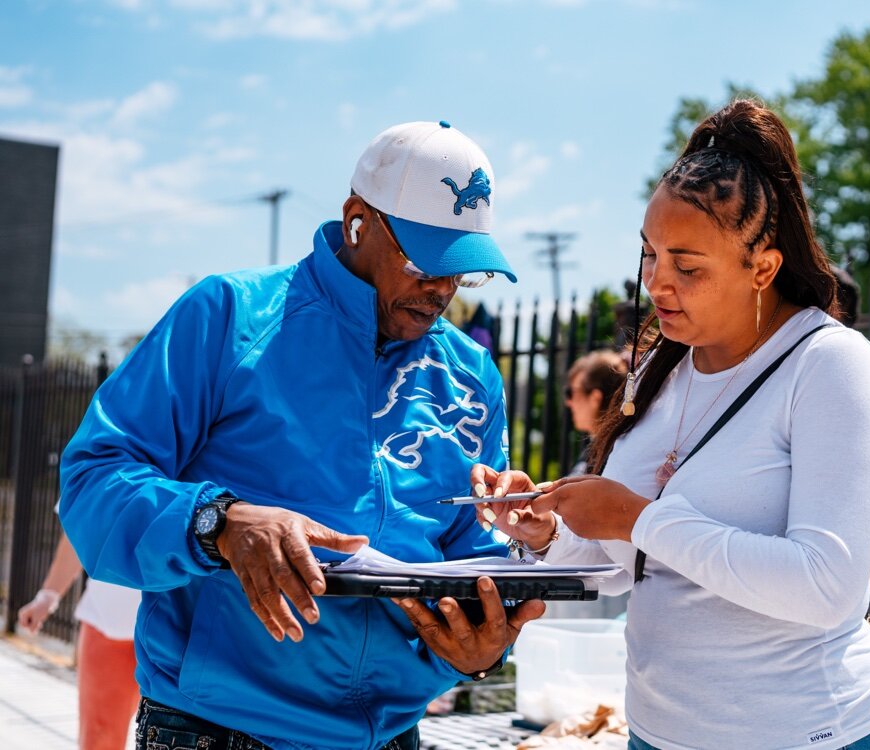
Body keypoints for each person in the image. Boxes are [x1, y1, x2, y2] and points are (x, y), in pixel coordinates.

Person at [59, 119, 545, 750]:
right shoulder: (228, 316)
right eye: (426, 260)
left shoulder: (471, 375)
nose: (443, 289)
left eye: (464, 270)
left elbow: (471, 549)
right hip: (219, 731)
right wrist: (220, 522)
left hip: (396, 735)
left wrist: (483, 642)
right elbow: (93, 480)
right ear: (357, 222)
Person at [471, 99, 870, 749]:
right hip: (658, 734)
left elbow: (826, 585)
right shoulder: (661, 367)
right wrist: (550, 535)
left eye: (688, 266)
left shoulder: (828, 364)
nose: (656, 283)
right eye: (649, 256)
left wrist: (636, 518)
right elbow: (628, 565)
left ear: (762, 266)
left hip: (817, 735)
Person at [18, 529, 141, 750]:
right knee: (101, 736)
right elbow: (78, 527)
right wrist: (48, 596)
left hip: (183, 628)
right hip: (109, 620)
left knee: (182, 735)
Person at [563, 349, 628, 475]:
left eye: (570, 393)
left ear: (595, 398)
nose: (568, 402)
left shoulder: (612, 455)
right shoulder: (601, 448)